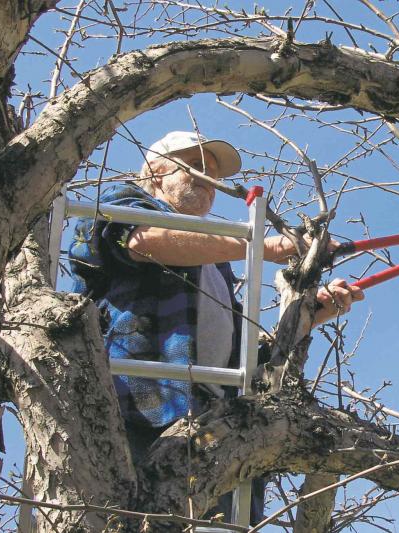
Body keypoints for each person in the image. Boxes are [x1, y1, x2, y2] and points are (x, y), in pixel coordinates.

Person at [69, 131, 363, 523]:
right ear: (157, 171)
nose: (211, 180)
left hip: (209, 421)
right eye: (198, 167)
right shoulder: (126, 204)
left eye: (215, 173)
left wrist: (310, 314)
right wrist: (265, 246)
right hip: (138, 412)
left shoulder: (215, 265)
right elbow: (143, 241)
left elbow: (240, 358)